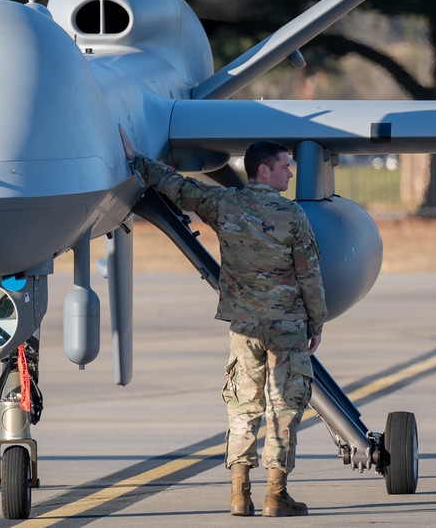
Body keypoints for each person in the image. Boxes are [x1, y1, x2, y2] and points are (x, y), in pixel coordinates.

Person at [118, 125, 326, 517]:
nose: (290, 173)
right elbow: (309, 276)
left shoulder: (223, 203)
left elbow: (176, 186)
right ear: (263, 171)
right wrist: (317, 323)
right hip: (286, 328)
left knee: (243, 408)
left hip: (244, 329)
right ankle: (275, 495)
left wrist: (137, 159)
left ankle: (238, 495)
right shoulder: (292, 215)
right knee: (282, 408)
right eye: (284, 166)